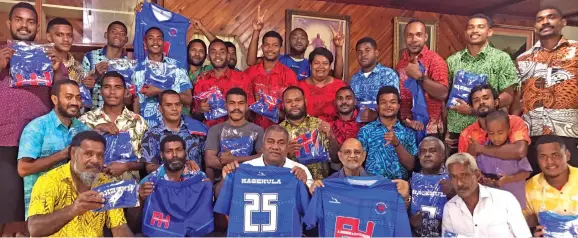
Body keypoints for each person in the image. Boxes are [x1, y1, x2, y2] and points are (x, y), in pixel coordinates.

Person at [0, 2, 66, 233]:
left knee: (37, 198)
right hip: (5, 138)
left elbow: (63, 94)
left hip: (40, 140)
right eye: (19, 19)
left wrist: (58, 69)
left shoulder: (49, 55)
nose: (24, 25)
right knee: (7, 198)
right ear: (9, 23)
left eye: (30, 21)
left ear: (37, 28)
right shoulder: (1, 54)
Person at [27, 131, 133, 237]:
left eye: (100, 155)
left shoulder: (105, 183)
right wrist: (73, 210)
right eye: (88, 154)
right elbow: (34, 229)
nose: (95, 160)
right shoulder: (49, 181)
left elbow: (119, 227)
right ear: (73, 153)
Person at [515, 7, 578, 175]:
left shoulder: (576, 51)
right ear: (535, 26)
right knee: (535, 185)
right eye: (540, 19)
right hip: (533, 134)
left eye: (551, 17)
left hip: (569, 133)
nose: (545, 22)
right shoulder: (522, 59)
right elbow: (518, 98)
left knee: (571, 186)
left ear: (563, 22)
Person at [445, 14, 518, 152]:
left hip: (489, 130)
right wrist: (446, 130)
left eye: (480, 27)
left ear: (489, 31)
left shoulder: (501, 59)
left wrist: (473, 110)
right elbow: (445, 97)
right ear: (466, 32)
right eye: (470, 27)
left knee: (488, 171)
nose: (475, 31)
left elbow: (508, 96)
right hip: (456, 130)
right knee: (458, 171)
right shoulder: (453, 60)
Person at [17, 80, 89, 219]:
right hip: (42, 209)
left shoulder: (83, 129)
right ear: (54, 99)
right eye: (68, 97)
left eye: (78, 97)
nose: (75, 102)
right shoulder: (37, 128)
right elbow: (23, 169)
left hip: (75, 209)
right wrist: (63, 154)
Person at [441, 153, 531, 237]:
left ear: (477, 175)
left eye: (464, 175)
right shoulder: (450, 208)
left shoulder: (505, 200)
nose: (459, 183)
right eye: (453, 177)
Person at [79, 71, 148, 181]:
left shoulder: (138, 122)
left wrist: (126, 166)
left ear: (125, 91)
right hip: (92, 189)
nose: (112, 92)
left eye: (118, 87)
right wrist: (96, 131)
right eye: (107, 87)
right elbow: (75, 156)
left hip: (129, 191)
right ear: (100, 91)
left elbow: (146, 162)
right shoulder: (86, 120)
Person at [246, 6, 344, 80]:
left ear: (308, 43)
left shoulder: (312, 64)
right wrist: (256, 31)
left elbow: (337, 76)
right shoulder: (278, 59)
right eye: (295, 37)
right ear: (288, 42)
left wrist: (338, 47)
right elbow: (251, 62)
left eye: (302, 38)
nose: (298, 41)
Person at [308, 138, 411, 204]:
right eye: (347, 152)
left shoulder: (378, 183)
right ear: (340, 156)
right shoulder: (326, 185)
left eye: (357, 152)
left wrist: (405, 198)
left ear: (364, 156)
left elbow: (394, 213)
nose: (352, 156)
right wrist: (315, 196)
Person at [216, 125, 313, 195]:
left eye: (281, 143)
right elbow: (218, 196)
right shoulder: (246, 168)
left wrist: (303, 184)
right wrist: (226, 179)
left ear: (288, 147)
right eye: (270, 141)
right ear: (263, 145)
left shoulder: (300, 170)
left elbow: (310, 206)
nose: (275, 147)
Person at [395, 19, 448, 137]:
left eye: (418, 35)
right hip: (406, 129)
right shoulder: (400, 64)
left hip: (430, 131)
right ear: (405, 38)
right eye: (410, 35)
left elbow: (443, 93)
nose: (414, 40)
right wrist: (406, 121)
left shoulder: (436, 61)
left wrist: (420, 77)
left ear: (426, 37)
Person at [132, 27, 193, 128]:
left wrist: (159, 91)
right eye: (151, 38)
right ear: (145, 44)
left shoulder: (177, 67)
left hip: (175, 129)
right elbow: (135, 101)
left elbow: (188, 100)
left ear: (164, 43)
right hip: (147, 129)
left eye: (159, 38)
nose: (155, 41)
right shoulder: (137, 69)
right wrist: (137, 127)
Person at [357, 86, 418, 180]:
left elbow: (411, 166)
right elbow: (357, 162)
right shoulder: (365, 131)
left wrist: (396, 143)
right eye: (383, 102)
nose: (388, 105)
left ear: (398, 106)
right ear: (377, 107)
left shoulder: (408, 133)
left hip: (398, 187)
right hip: (372, 187)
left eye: (392, 102)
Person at [473, 110, 532, 208]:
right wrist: (484, 180)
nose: (496, 137)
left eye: (500, 133)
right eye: (491, 133)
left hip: (514, 201)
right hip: (492, 202)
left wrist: (509, 179)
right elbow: (478, 173)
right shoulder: (482, 151)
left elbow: (527, 172)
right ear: (487, 132)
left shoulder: (513, 151)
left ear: (508, 131)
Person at [205, 88, 264, 180]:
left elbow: (263, 157)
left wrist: (233, 160)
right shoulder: (215, 130)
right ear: (226, 106)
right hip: (223, 181)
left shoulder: (257, 130)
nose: (236, 107)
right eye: (232, 103)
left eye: (241, 103)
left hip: (249, 180)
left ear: (246, 106)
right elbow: (209, 160)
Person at [458, 84, 530, 160]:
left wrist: (481, 149)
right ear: (472, 107)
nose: (481, 102)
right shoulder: (467, 134)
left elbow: (520, 151)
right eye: (476, 100)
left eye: (486, 98)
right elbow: (463, 164)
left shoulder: (514, 122)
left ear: (496, 102)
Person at [524, 135, 578, 237]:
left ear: (567, 155)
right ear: (537, 160)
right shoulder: (528, 189)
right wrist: (532, 232)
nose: (549, 161)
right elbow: (528, 227)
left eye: (555, 155)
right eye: (543, 157)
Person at [280, 86, 338, 180]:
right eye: (289, 101)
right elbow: (270, 164)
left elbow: (336, 159)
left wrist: (331, 137)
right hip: (291, 186)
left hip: (320, 184)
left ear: (305, 102)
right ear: (283, 105)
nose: (294, 104)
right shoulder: (278, 131)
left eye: (297, 100)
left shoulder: (320, 124)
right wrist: (285, 153)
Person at [141, 90, 206, 174]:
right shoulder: (151, 134)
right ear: (160, 108)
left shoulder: (196, 130)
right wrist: (179, 167)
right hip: (166, 184)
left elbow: (208, 161)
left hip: (196, 183)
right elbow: (150, 168)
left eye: (177, 104)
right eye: (168, 105)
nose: (174, 108)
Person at [243, 30, 298, 129]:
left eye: (275, 45)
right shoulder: (249, 73)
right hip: (252, 130)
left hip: (280, 131)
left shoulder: (289, 75)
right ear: (262, 47)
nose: (270, 49)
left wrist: (275, 113)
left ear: (280, 49)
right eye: (267, 45)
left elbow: (294, 107)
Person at [193, 39, 252, 126]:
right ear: (208, 57)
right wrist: (200, 110)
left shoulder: (243, 79)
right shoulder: (201, 81)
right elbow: (195, 114)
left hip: (237, 133)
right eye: (213, 52)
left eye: (222, 52)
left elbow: (250, 112)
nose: (217, 55)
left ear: (228, 56)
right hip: (209, 134)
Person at [410, 137, 454, 237]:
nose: (427, 155)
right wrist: (411, 221)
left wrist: (454, 193)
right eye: (422, 151)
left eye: (432, 151)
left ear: (443, 155)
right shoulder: (412, 181)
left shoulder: (453, 179)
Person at [350, 37, 400, 123]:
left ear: (376, 53)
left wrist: (375, 115)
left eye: (367, 50)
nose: (363, 55)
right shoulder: (354, 79)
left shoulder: (388, 75)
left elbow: (394, 105)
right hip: (358, 127)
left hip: (383, 127)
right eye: (359, 52)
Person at [81, 21, 130, 110]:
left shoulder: (129, 65)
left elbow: (131, 94)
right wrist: (95, 76)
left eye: (122, 33)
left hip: (119, 116)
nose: (117, 35)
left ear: (126, 40)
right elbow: (81, 90)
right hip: (93, 114)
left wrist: (128, 98)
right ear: (106, 35)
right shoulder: (90, 57)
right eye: (113, 32)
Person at [298, 47, 347, 122]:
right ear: (310, 66)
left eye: (325, 63)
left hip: (336, 130)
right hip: (306, 130)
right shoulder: (300, 87)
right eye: (316, 63)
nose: (321, 67)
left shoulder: (340, 86)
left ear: (330, 66)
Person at [46, 17, 83, 84]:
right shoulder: (43, 63)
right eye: (60, 35)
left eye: (69, 35)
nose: (66, 39)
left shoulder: (78, 67)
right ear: (49, 37)